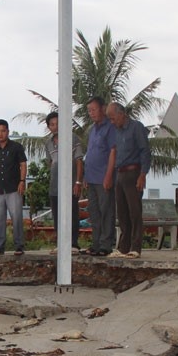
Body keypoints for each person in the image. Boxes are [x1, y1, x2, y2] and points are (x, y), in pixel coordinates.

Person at [107, 101, 152, 259]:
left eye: (113, 118)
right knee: (122, 212)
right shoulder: (116, 131)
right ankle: (123, 247)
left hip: (134, 171)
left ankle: (135, 247)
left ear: (121, 114)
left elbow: (145, 151)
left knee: (134, 211)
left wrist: (143, 174)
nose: (112, 122)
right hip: (120, 172)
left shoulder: (136, 127)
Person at [0, 119, 28, 256]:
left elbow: (23, 164)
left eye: (3, 131)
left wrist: (22, 181)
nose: (0, 134)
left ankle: (19, 246)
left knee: (16, 217)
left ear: (7, 131)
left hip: (14, 189)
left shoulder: (16, 147)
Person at [44, 111, 84, 252]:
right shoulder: (48, 143)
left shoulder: (73, 138)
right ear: (49, 127)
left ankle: (73, 244)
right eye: (52, 124)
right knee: (57, 215)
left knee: (72, 213)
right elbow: (51, 163)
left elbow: (79, 161)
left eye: (58, 123)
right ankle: (61, 243)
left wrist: (78, 182)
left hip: (71, 184)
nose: (56, 127)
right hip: (55, 186)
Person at [82, 96, 116, 256]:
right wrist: (84, 177)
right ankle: (95, 243)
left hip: (104, 178)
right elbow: (89, 153)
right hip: (91, 177)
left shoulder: (110, 128)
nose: (91, 113)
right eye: (89, 110)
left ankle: (106, 244)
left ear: (102, 108)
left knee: (106, 211)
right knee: (94, 212)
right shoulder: (93, 129)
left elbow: (112, 152)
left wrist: (108, 176)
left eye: (94, 109)